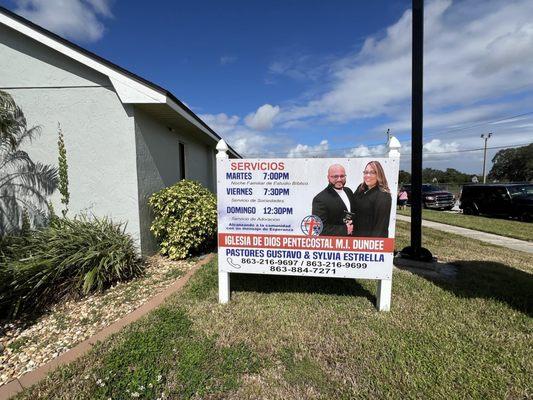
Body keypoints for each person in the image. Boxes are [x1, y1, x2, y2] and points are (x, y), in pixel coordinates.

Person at [312, 164, 355, 236]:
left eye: (342, 176)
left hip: (351, 242)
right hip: (334, 245)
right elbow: (319, 228)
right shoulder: (320, 199)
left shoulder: (348, 191)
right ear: (328, 177)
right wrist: (344, 230)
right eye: (335, 176)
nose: (339, 179)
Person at [352, 161, 392, 237]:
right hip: (355, 237)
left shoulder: (383, 195)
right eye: (366, 172)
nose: (368, 175)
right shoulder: (360, 188)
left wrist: (373, 245)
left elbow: (381, 226)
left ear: (379, 174)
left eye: (372, 172)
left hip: (369, 241)